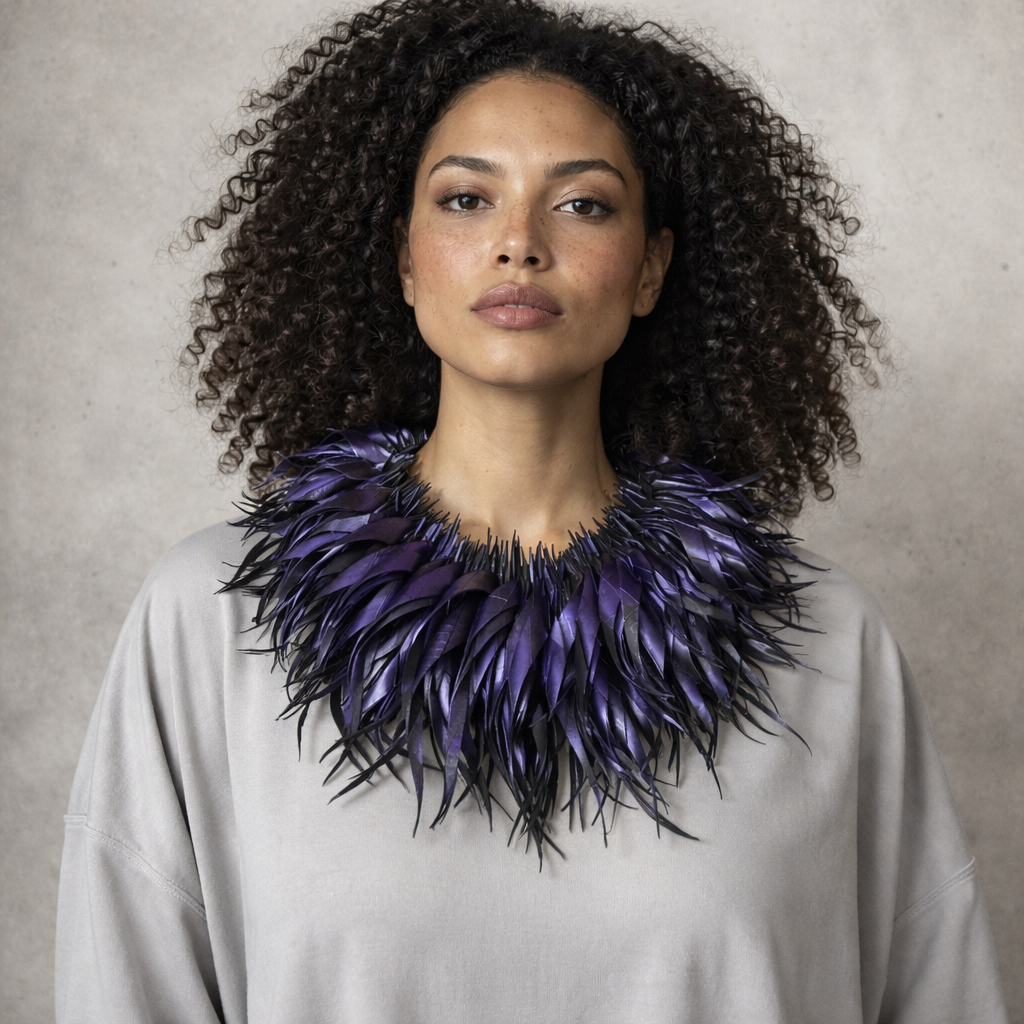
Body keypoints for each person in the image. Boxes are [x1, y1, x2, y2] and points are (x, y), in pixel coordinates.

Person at [54, 0, 1008, 1021]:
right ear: (403, 258)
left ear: (650, 268)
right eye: (466, 199)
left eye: (584, 205)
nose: (518, 242)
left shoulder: (827, 644)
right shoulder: (209, 623)